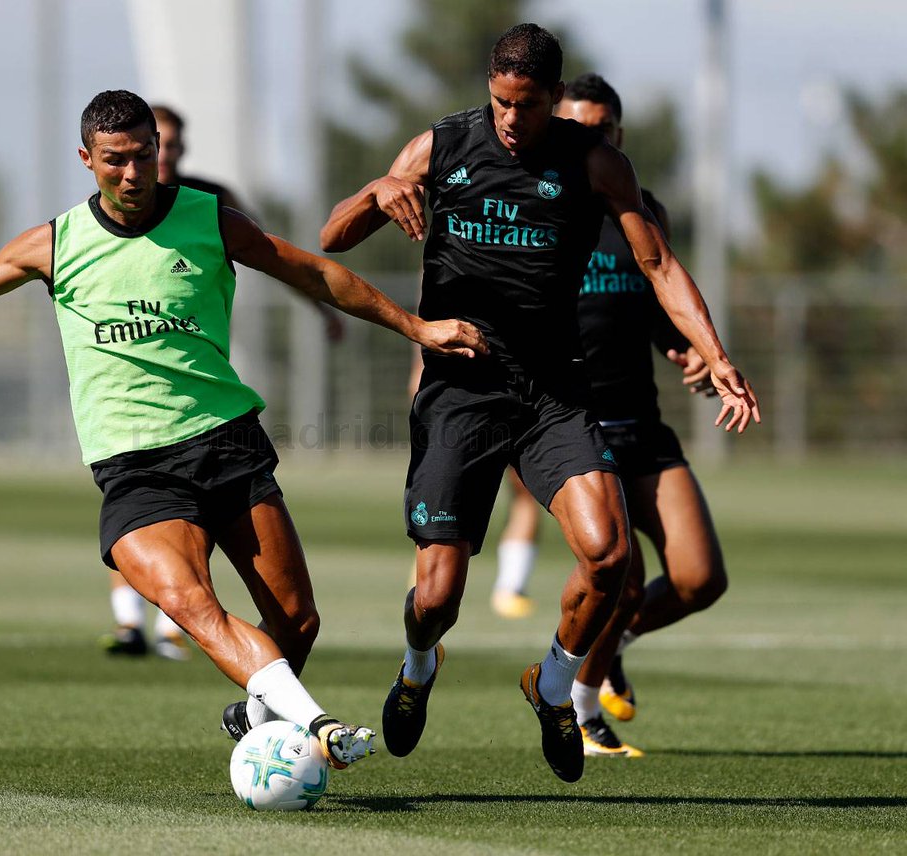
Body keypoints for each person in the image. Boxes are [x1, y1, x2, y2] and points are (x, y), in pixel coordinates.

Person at [0, 89, 489, 770]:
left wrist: (416, 326)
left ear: (162, 152)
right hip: (134, 465)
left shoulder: (210, 220)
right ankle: (320, 726)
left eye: (144, 157)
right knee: (191, 602)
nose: (132, 175)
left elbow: (313, 272)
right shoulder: (57, 243)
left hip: (227, 443)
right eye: (115, 160)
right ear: (86, 158)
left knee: (299, 622)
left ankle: (256, 714)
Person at [320, 24, 758, 783]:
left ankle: (553, 684)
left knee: (611, 555)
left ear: (555, 99)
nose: (511, 121)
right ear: (488, 87)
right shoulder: (440, 148)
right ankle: (419, 666)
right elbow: (331, 237)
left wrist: (716, 356)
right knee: (437, 595)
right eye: (500, 103)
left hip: (552, 391)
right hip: (461, 388)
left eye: (527, 106)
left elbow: (658, 265)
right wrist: (375, 193)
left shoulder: (594, 164)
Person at [101, 102, 343, 662]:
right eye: (122, 156)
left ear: (165, 146)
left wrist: (322, 310)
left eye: (164, 147)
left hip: (207, 408)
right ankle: (130, 622)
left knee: (218, 550)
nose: (145, 164)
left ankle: (172, 634)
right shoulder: (97, 219)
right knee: (138, 511)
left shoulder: (209, 204)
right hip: (131, 414)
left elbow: (276, 254)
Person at [553, 74, 730, 758]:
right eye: (580, 128)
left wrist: (687, 350)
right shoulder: (541, 210)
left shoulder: (641, 207)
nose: (594, 139)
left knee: (699, 578)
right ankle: (577, 705)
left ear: (618, 137)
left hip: (643, 423)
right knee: (620, 580)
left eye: (605, 129)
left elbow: (655, 299)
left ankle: (612, 645)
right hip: (574, 429)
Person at [408, 349, 543, 620]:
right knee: (443, 499)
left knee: (524, 490)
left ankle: (511, 586)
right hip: (463, 398)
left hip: (520, 392)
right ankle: (424, 583)